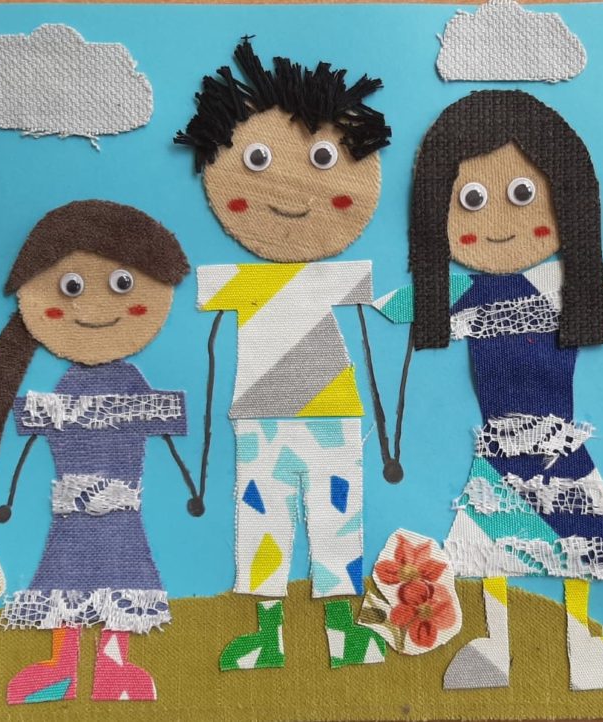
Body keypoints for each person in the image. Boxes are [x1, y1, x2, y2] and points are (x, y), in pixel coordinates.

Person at [373, 90, 603, 690]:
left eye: (523, 194)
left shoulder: (568, 283)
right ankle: (495, 649)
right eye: (471, 200)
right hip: (499, 443)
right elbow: (399, 306)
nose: (497, 222)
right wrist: (363, 298)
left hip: (556, 442)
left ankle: (581, 643)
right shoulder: (467, 294)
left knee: (579, 538)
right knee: (491, 542)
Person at [174, 37, 393, 671]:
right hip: (262, 420)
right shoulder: (239, 280)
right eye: (258, 159)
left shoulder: (331, 276)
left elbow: (389, 301)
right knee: (262, 525)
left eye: (322, 158)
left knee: (335, 521)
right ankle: (268, 637)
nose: (290, 188)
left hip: (332, 416)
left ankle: (343, 631)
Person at [0, 200, 198, 703]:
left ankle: (113, 667)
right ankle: (62, 666)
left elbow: (164, 420)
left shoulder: (128, 381)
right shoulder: (68, 381)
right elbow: (41, 425)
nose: (93, 306)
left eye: (122, 283)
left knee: (123, 576)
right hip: (71, 511)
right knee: (64, 576)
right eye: (71, 286)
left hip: (121, 509)